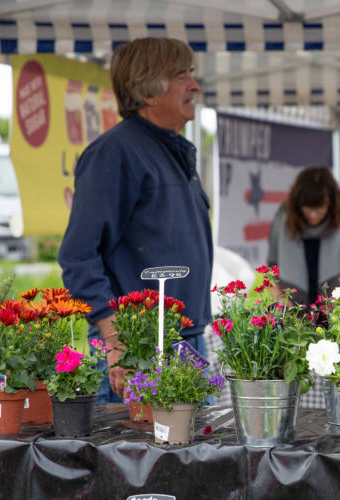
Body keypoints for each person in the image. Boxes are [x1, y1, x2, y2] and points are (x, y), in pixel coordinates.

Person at [58, 38, 211, 402]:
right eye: (181, 76)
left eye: (191, 74)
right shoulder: (116, 152)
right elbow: (78, 256)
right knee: (135, 459)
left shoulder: (172, 149)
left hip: (183, 343)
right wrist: (116, 340)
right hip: (137, 351)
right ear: (148, 92)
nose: (194, 86)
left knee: (194, 457)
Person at [267, 167, 340, 305]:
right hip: (292, 309)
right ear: (297, 203)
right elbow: (271, 268)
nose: (313, 214)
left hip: (337, 308)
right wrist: (280, 298)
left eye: (320, 207)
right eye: (307, 207)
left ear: (332, 203)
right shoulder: (283, 216)